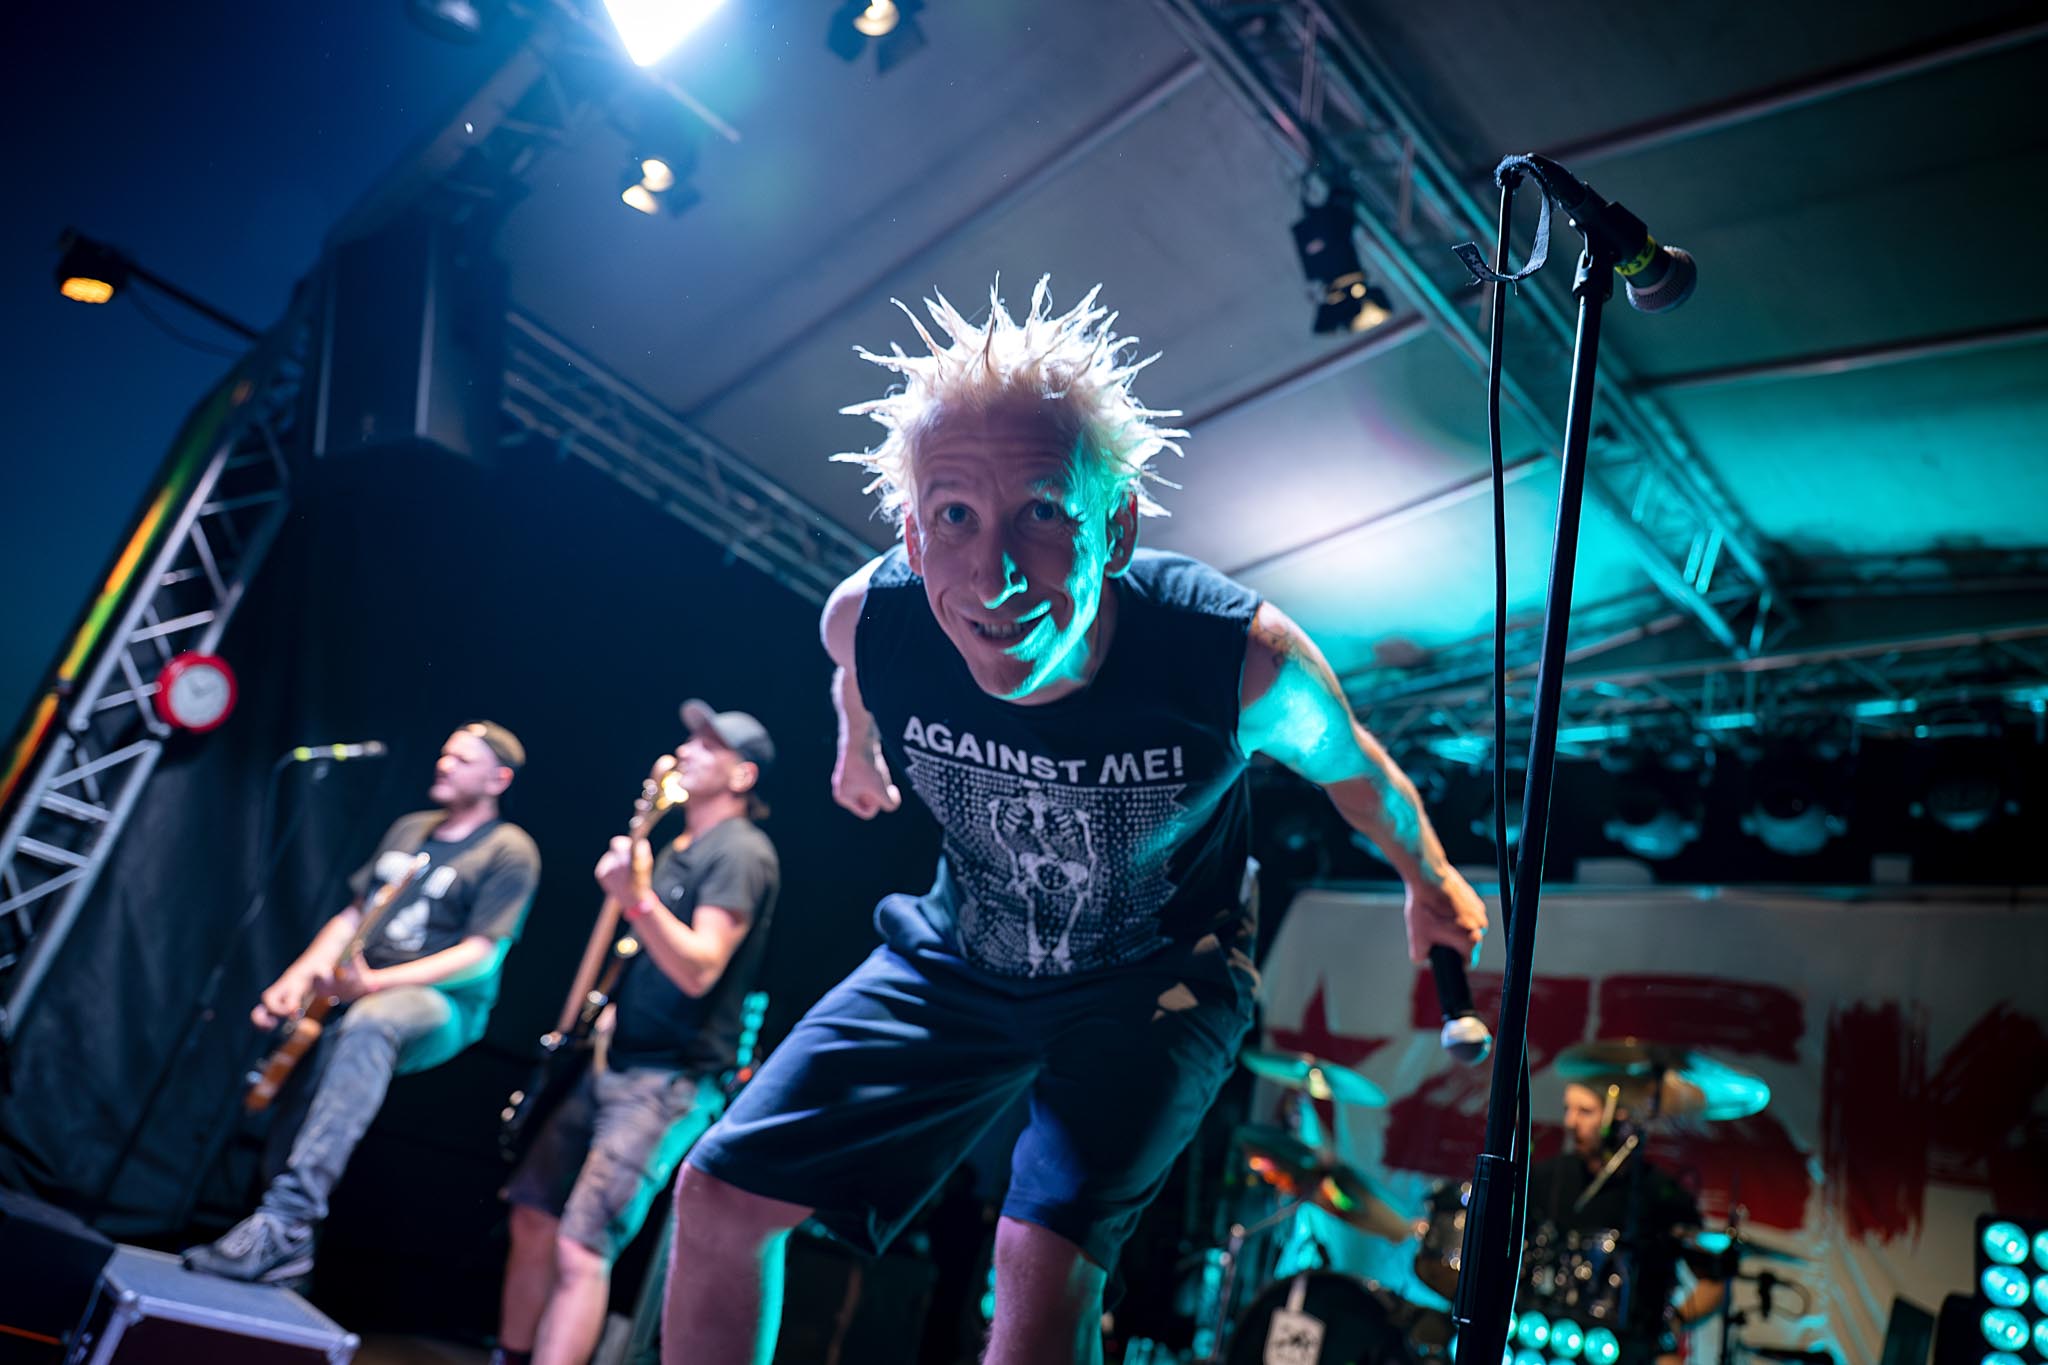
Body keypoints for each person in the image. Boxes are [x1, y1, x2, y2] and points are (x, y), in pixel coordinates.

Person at [662, 278, 1489, 1365]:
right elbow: (852, 674)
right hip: (962, 953)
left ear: (1118, 526)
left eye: (1043, 512)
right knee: (718, 1193)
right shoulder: (869, 619)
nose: (992, 572)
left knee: (1038, 1260)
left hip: (1158, 977)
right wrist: (854, 745)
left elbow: (1358, 773)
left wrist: (1429, 880)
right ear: (912, 536)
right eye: (954, 517)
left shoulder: (1235, 660)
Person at [185, 720, 541, 1284]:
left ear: (498, 779)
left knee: (373, 1022)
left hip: (439, 1003)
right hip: (356, 991)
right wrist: (300, 976)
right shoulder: (411, 829)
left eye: (462, 759)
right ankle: (287, 1248)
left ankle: (288, 1220)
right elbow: (355, 914)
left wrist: (374, 985)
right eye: (444, 754)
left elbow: (480, 956)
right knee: (312, 1071)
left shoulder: (508, 850)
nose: (444, 764)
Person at [494, 703, 780, 1365]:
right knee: (533, 1213)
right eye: (689, 740)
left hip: (668, 1080)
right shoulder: (678, 847)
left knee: (582, 1244)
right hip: (610, 1061)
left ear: (742, 775)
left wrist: (638, 897)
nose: (687, 751)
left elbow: (700, 967)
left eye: (709, 746)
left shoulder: (740, 851)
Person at [1525, 1081, 1726, 1365]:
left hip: (1633, 1349)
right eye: (1567, 1109)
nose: (1570, 1122)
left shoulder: (1660, 1193)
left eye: (1585, 1112)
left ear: (1618, 1118)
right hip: (1548, 1342)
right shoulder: (1547, 1178)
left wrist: (1674, 1323)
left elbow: (1714, 1284)